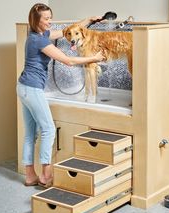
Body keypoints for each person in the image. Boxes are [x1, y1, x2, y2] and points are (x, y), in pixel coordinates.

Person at [16, 3, 105, 187]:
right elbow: (69, 61)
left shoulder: (38, 35)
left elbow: (64, 31)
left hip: (23, 86)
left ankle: (30, 176)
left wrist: (87, 21)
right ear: (36, 20)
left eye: (50, 17)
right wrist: (94, 58)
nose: (50, 22)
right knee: (48, 130)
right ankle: (46, 175)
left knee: (30, 134)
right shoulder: (39, 40)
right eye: (46, 19)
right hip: (32, 89)